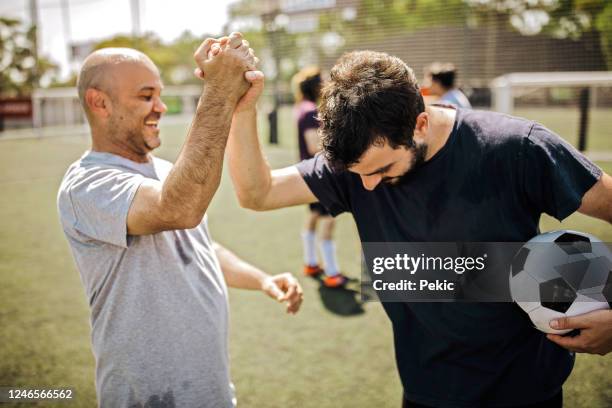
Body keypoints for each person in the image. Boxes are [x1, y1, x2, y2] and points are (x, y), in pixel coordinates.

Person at [226, 50, 612, 407]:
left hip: (527, 392)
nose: (368, 187)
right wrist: (241, 106)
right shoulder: (354, 164)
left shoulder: (516, 148)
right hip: (425, 392)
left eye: (381, 171)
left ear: (420, 124)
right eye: (357, 174)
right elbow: (257, 193)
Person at [57, 33, 303, 407]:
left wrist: (263, 280)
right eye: (145, 96)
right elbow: (179, 209)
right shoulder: (86, 185)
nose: (161, 106)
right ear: (99, 103)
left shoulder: (164, 170)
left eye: (158, 94)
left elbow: (199, 247)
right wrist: (220, 89)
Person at [291, 67, 347, 287]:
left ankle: (311, 263)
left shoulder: (304, 108)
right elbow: (314, 146)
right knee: (328, 221)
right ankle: (332, 273)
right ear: (316, 86)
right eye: (323, 81)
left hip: (311, 174)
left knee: (314, 217)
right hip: (320, 175)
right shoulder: (309, 111)